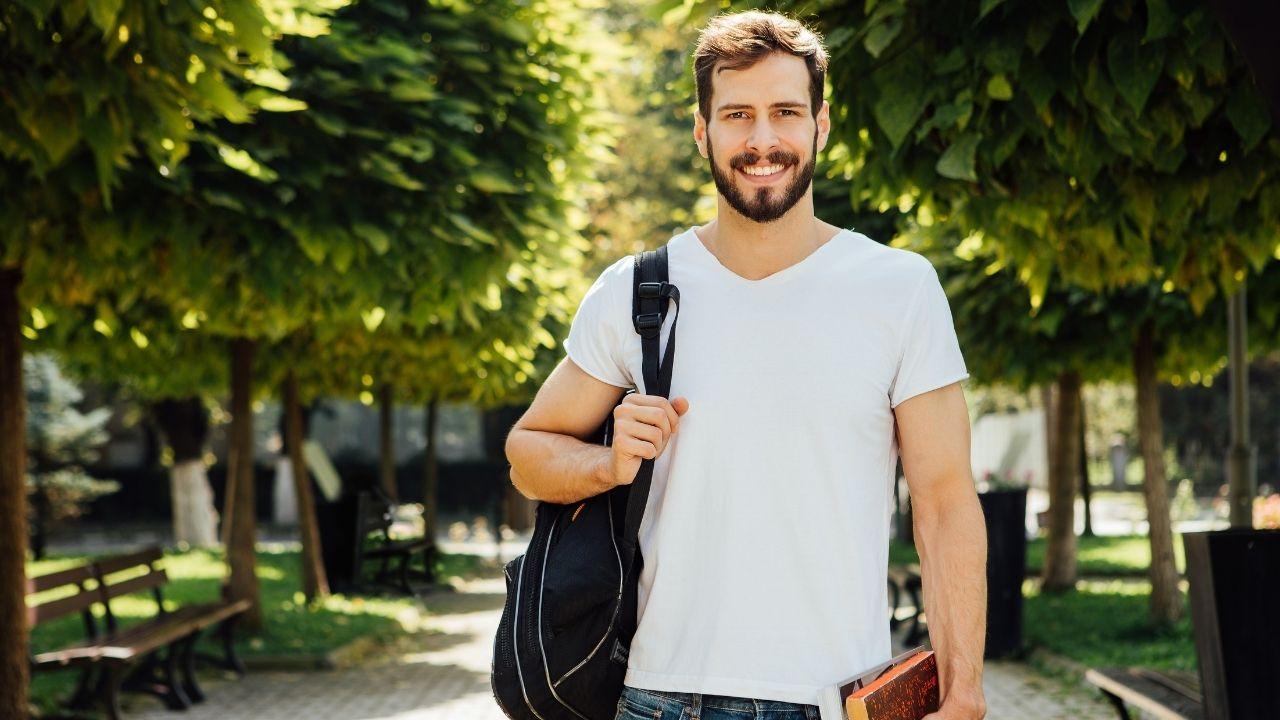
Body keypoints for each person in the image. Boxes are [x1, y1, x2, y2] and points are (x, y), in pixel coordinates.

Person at [504, 9, 987, 720]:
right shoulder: (638, 293)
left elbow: (945, 506)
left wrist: (965, 692)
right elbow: (526, 454)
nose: (763, 140)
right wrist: (607, 464)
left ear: (820, 125)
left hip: (837, 702)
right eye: (737, 115)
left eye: (785, 112)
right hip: (662, 700)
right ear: (704, 131)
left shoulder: (899, 288)